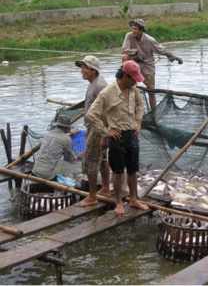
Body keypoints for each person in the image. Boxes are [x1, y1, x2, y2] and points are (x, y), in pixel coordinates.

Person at [86, 60, 149, 214]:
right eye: (133, 78)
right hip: (117, 136)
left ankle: (134, 199)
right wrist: (106, 132)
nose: (135, 82)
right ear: (125, 77)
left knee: (133, 169)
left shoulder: (133, 89)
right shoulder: (107, 93)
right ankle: (119, 202)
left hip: (132, 134)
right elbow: (92, 115)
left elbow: (140, 106)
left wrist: (138, 122)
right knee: (118, 171)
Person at [121, 18, 183, 114]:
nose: (133, 31)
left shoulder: (150, 40)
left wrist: (174, 58)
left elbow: (162, 50)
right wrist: (135, 52)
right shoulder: (129, 36)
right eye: (132, 29)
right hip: (134, 64)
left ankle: (154, 115)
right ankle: (132, 110)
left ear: (141, 30)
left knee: (151, 90)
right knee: (125, 58)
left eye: (135, 29)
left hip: (147, 64)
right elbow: (124, 50)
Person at [74, 55, 111, 207]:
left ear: (93, 70)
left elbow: (106, 111)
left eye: (84, 68)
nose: (82, 70)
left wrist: (103, 134)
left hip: (99, 128)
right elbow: (91, 109)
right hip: (94, 128)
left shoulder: (100, 85)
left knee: (89, 161)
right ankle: (106, 189)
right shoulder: (92, 83)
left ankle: (92, 196)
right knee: (102, 159)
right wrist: (88, 129)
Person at [32, 115, 78, 181]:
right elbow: (71, 159)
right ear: (66, 128)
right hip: (48, 175)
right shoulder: (67, 139)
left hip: (35, 171)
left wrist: (71, 133)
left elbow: (59, 138)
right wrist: (78, 156)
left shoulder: (48, 134)